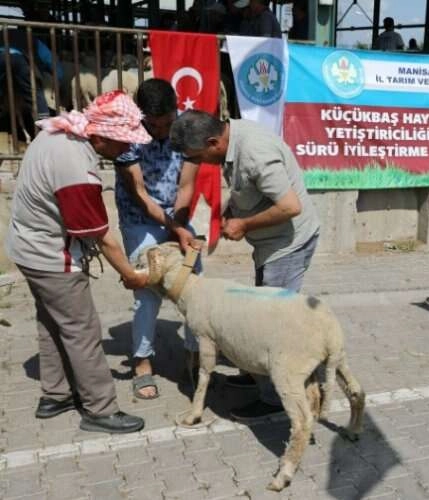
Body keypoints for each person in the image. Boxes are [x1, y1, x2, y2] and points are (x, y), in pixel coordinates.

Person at [5, 90, 152, 433]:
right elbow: (100, 235)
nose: (126, 150)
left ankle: (55, 394)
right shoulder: (76, 169)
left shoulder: (57, 132)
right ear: (100, 137)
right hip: (51, 256)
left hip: (27, 248)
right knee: (83, 331)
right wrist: (131, 274)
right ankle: (100, 408)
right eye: (122, 143)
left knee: (52, 322)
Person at [169, 110, 321, 419]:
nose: (199, 164)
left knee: (268, 326)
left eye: (199, 157)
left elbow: (290, 206)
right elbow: (249, 189)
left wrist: (244, 224)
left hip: (287, 245)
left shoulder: (254, 152)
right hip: (272, 244)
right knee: (260, 315)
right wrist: (231, 212)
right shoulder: (233, 137)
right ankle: (257, 374)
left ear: (213, 142)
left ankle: (274, 400)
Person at [114, 79, 200, 400]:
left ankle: (194, 358)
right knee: (148, 289)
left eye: (167, 123)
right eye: (155, 125)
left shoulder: (188, 129)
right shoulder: (127, 133)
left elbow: (186, 186)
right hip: (139, 218)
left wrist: (179, 225)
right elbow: (139, 196)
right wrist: (172, 228)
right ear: (142, 117)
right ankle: (142, 362)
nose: (162, 131)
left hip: (176, 216)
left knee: (193, 284)